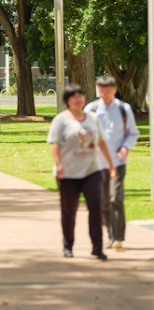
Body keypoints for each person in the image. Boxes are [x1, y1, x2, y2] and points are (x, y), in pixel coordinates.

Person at [48, 83, 117, 259]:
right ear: (67, 101)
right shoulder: (61, 120)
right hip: (68, 173)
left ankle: (97, 247)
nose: (78, 99)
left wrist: (110, 164)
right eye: (74, 97)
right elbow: (54, 144)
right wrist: (59, 164)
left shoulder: (92, 118)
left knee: (96, 207)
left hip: (92, 170)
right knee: (69, 212)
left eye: (80, 96)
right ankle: (68, 245)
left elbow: (100, 142)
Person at [84, 76, 140, 249]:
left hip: (117, 162)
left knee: (116, 197)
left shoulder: (124, 109)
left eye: (107, 91)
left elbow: (133, 133)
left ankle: (118, 237)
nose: (104, 94)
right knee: (103, 200)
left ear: (114, 90)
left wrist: (125, 148)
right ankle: (110, 234)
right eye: (101, 91)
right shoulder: (91, 109)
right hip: (97, 164)